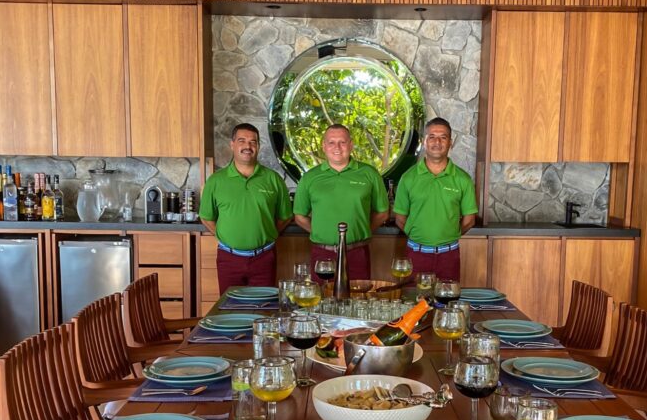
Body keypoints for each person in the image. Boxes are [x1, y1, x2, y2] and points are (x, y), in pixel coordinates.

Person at [199, 123, 293, 293]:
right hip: (229, 259)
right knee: (229, 310)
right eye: (242, 141)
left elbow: (285, 216)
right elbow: (206, 217)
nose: (247, 146)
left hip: (264, 259)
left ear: (258, 146)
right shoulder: (216, 181)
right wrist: (225, 236)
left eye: (253, 142)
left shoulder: (273, 179)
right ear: (232, 144)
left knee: (262, 312)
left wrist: (267, 232)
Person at [293, 124, 389, 281]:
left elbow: (383, 212)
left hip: (357, 252)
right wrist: (321, 232)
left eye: (342, 142)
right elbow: (299, 216)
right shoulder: (309, 178)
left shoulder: (369, 174)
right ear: (324, 146)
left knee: (358, 302)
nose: (337, 147)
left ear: (351, 145)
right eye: (331, 142)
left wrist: (362, 230)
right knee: (322, 302)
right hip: (322, 254)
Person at [393, 117, 478, 281]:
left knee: (447, 302)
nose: (437, 142)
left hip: (449, 257)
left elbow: (469, 220)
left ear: (450, 143)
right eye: (432, 137)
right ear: (424, 142)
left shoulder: (463, 179)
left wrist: (448, 235)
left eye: (443, 137)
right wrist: (420, 237)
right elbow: (400, 218)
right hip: (416, 256)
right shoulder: (408, 178)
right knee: (415, 304)